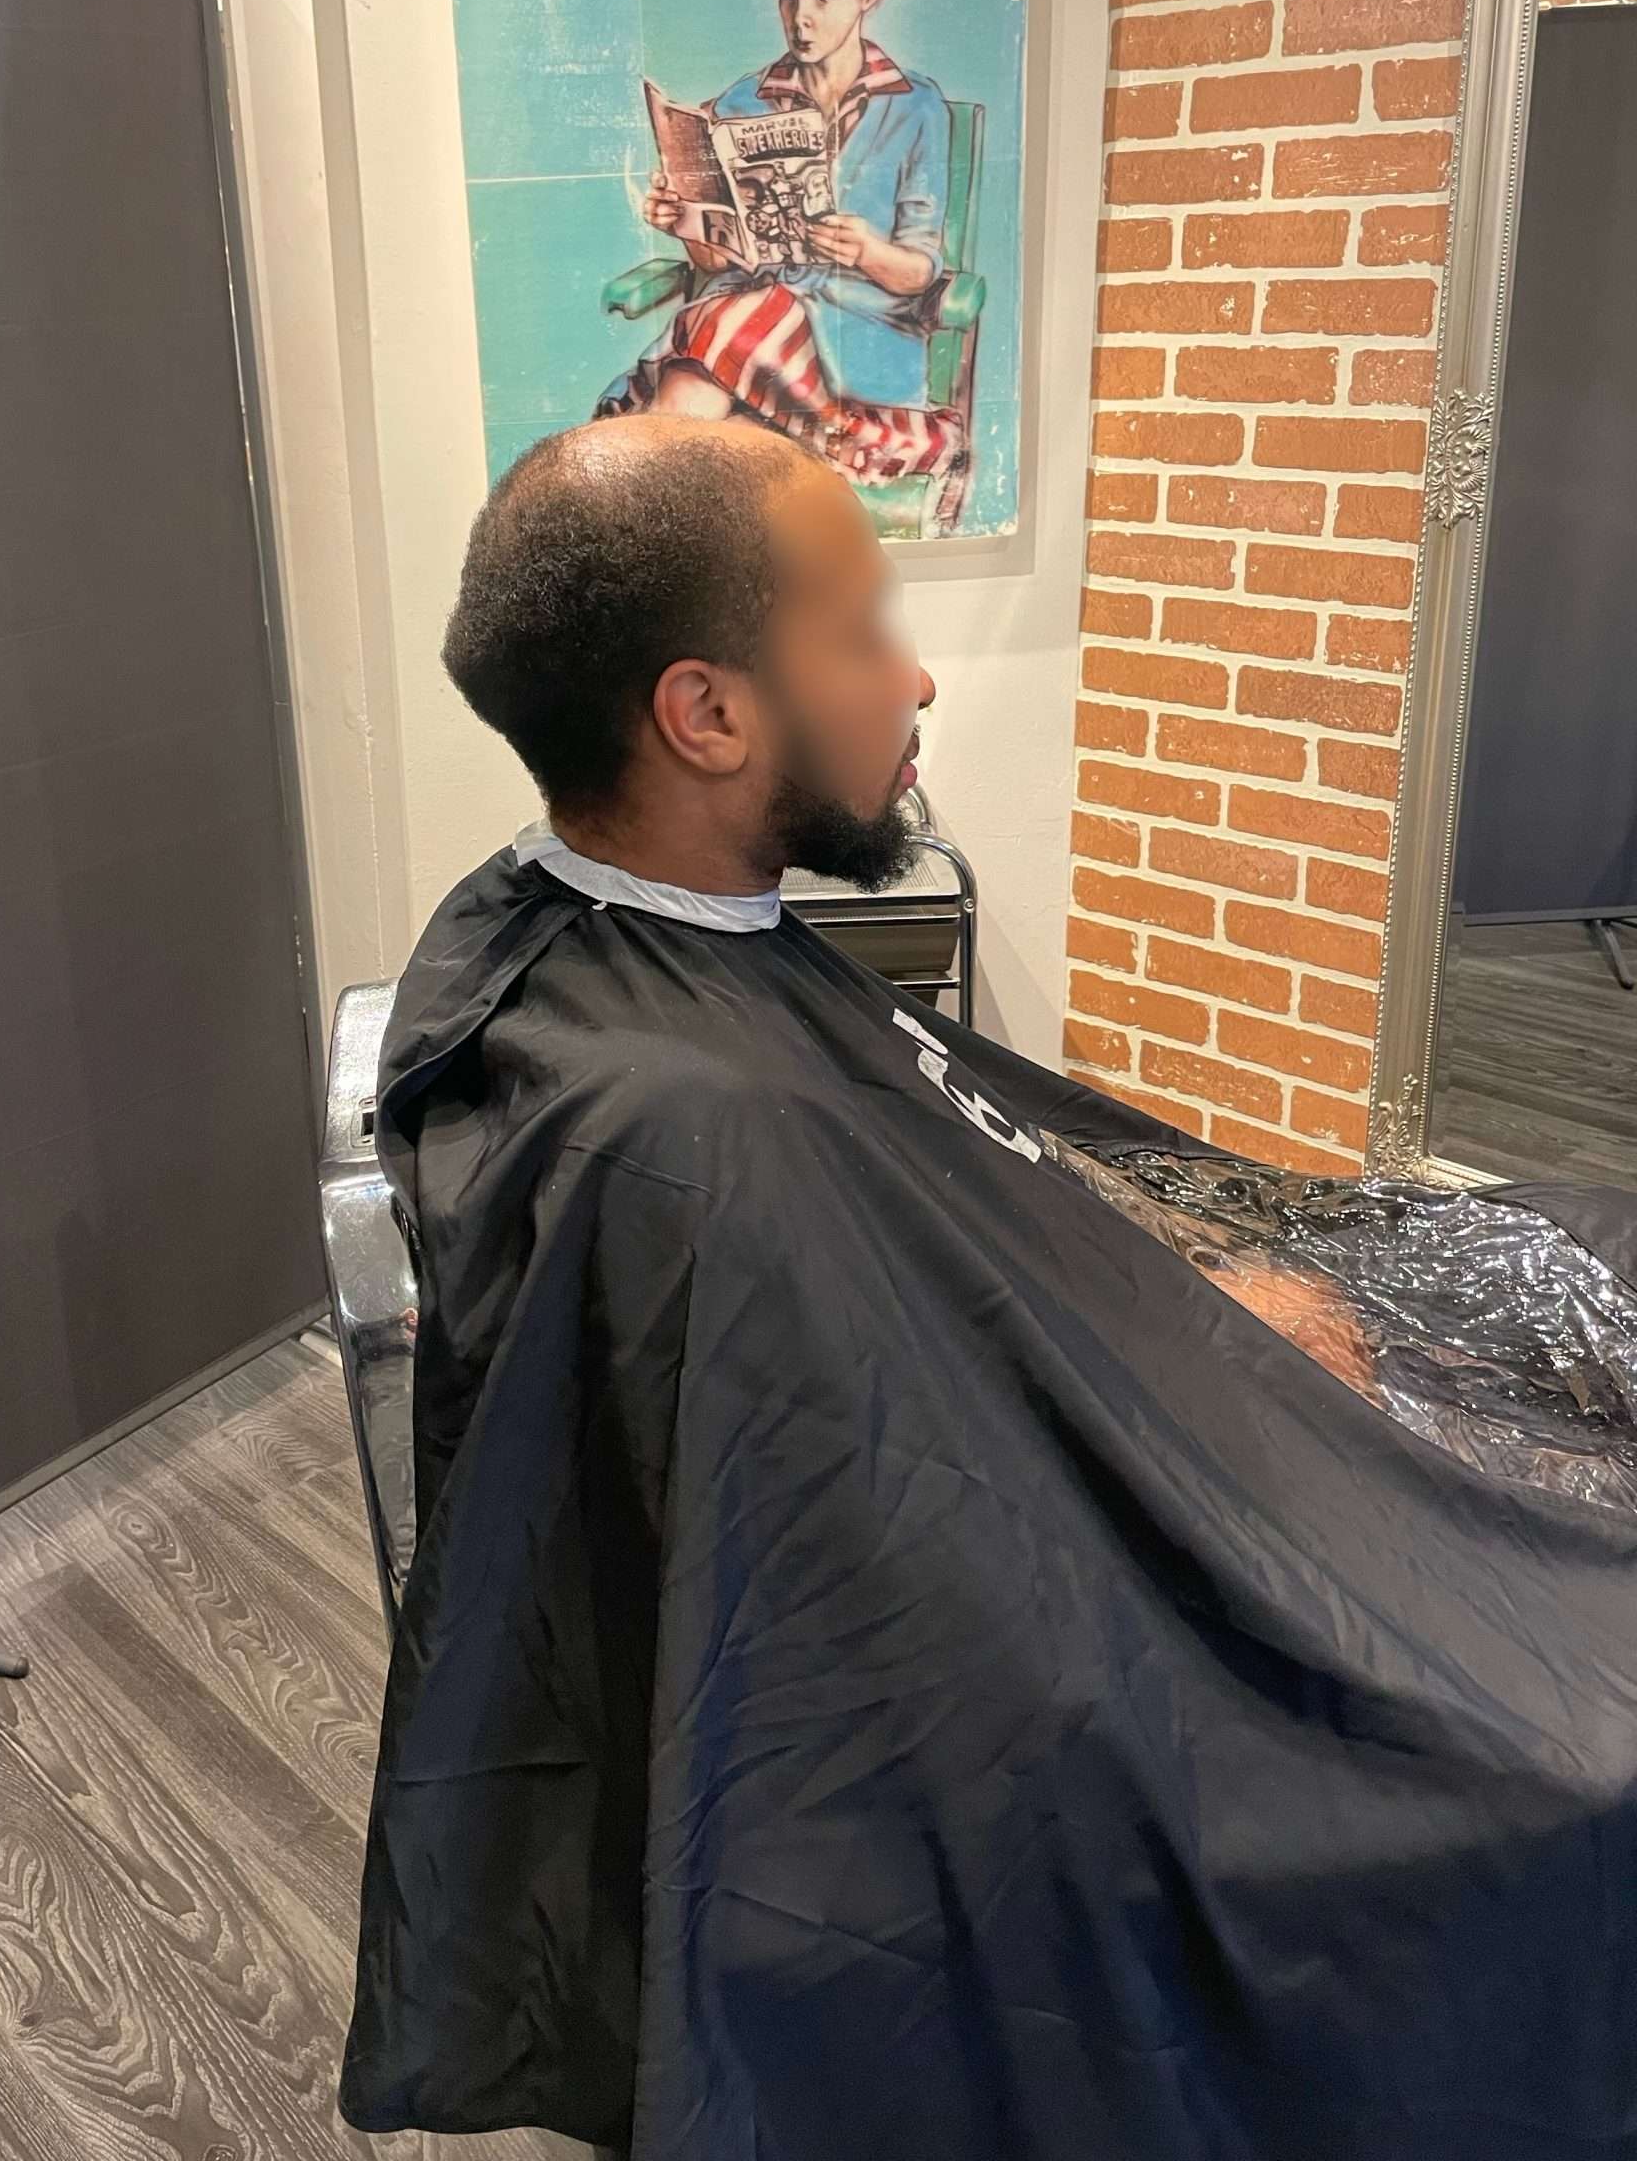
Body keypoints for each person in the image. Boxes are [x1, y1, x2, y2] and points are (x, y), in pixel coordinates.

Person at [341, 415, 1637, 2161]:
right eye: (864, 631)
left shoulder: (591, 944)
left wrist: (1169, 1302)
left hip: (1169, 1354)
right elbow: (952, 1579)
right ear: (707, 715)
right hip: (1168, 1584)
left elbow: (950, 1308)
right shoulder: (691, 1140)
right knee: (1578, 1735)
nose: (920, 678)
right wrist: (1200, 1374)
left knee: (1560, 1248)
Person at [601, 0, 970, 528]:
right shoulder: (740, 102)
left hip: (850, 337)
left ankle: (638, 526)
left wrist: (867, 250)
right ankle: (655, 538)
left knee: (696, 389)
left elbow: (919, 271)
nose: (801, 17)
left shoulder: (916, 106)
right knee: (709, 405)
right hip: (742, 330)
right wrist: (687, 221)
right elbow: (717, 259)